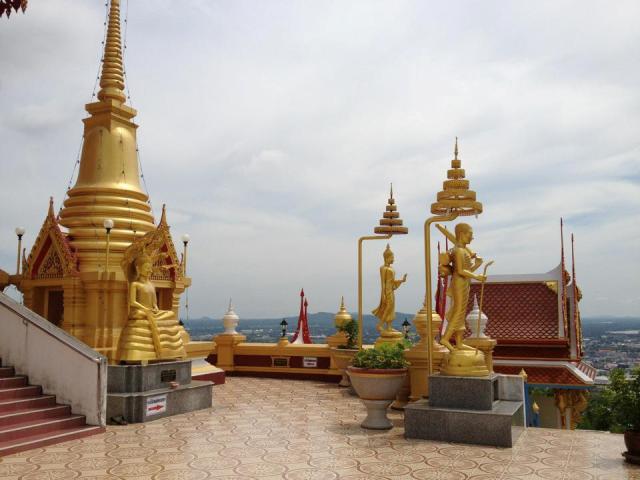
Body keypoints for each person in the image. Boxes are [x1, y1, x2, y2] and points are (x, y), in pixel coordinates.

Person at [440, 223, 486, 352]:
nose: (472, 238)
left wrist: (477, 265)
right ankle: (445, 338)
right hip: (459, 282)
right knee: (458, 310)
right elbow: (460, 270)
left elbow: (467, 270)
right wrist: (477, 277)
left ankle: (459, 342)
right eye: (470, 234)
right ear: (461, 234)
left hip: (464, 282)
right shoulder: (458, 250)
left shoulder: (464, 250)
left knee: (462, 312)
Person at [372, 244, 407, 333]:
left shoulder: (391, 268)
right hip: (387, 290)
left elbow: (392, 281)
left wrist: (402, 280)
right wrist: (383, 293)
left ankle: (389, 326)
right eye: (392, 257)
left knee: (391, 308)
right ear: (387, 257)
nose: (393, 259)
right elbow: (383, 282)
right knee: (388, 307)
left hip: (391, 289)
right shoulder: (383, 268)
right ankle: (380, 324)